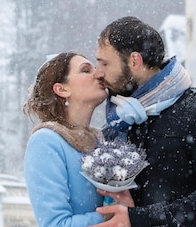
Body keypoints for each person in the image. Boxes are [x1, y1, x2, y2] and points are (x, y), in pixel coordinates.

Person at [91, 16, 196, 227]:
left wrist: (141, 218)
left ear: (135, 61)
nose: (98, 73)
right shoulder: (117, 125)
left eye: (104, 63)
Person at [23, 52, 132, 227]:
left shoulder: (105, 141)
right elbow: (55, 224)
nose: (98, 74)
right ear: (62, 89)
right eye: (85, 70)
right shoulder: (46, 142)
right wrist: (116, 215)